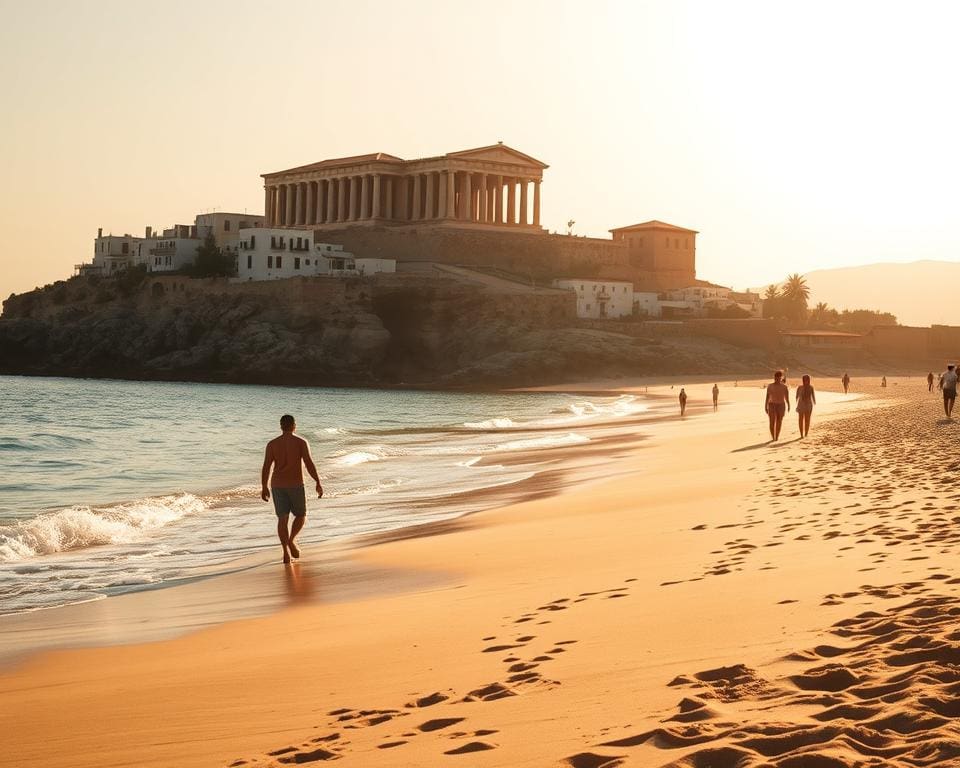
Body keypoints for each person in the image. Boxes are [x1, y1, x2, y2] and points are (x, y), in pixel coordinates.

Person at [261, 414, 323, 564]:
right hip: (296, 485)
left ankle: (285, 553)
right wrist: (317, 481)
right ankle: (291, 540)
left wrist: (264, 486)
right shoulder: (301, 442)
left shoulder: (272, 444)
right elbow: (309, 463)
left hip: (277, 486)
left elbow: (266, 467)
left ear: (281, 426)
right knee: (301, 515)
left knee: (282, 519)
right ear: (294, 426)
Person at [764, 370, 790, 441]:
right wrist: (765, 406)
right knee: (772, 421)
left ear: (781, 378)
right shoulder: (770, 386)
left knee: (779, 421)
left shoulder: (784, 387)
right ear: (774, 377)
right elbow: (767, 396)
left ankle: (777, 437)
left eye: (779, 378)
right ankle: (773, 437)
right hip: (772, 405)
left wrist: (788, 404)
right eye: (776, 378)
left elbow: (786, 397)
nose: (777, 379)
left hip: (781, 405)